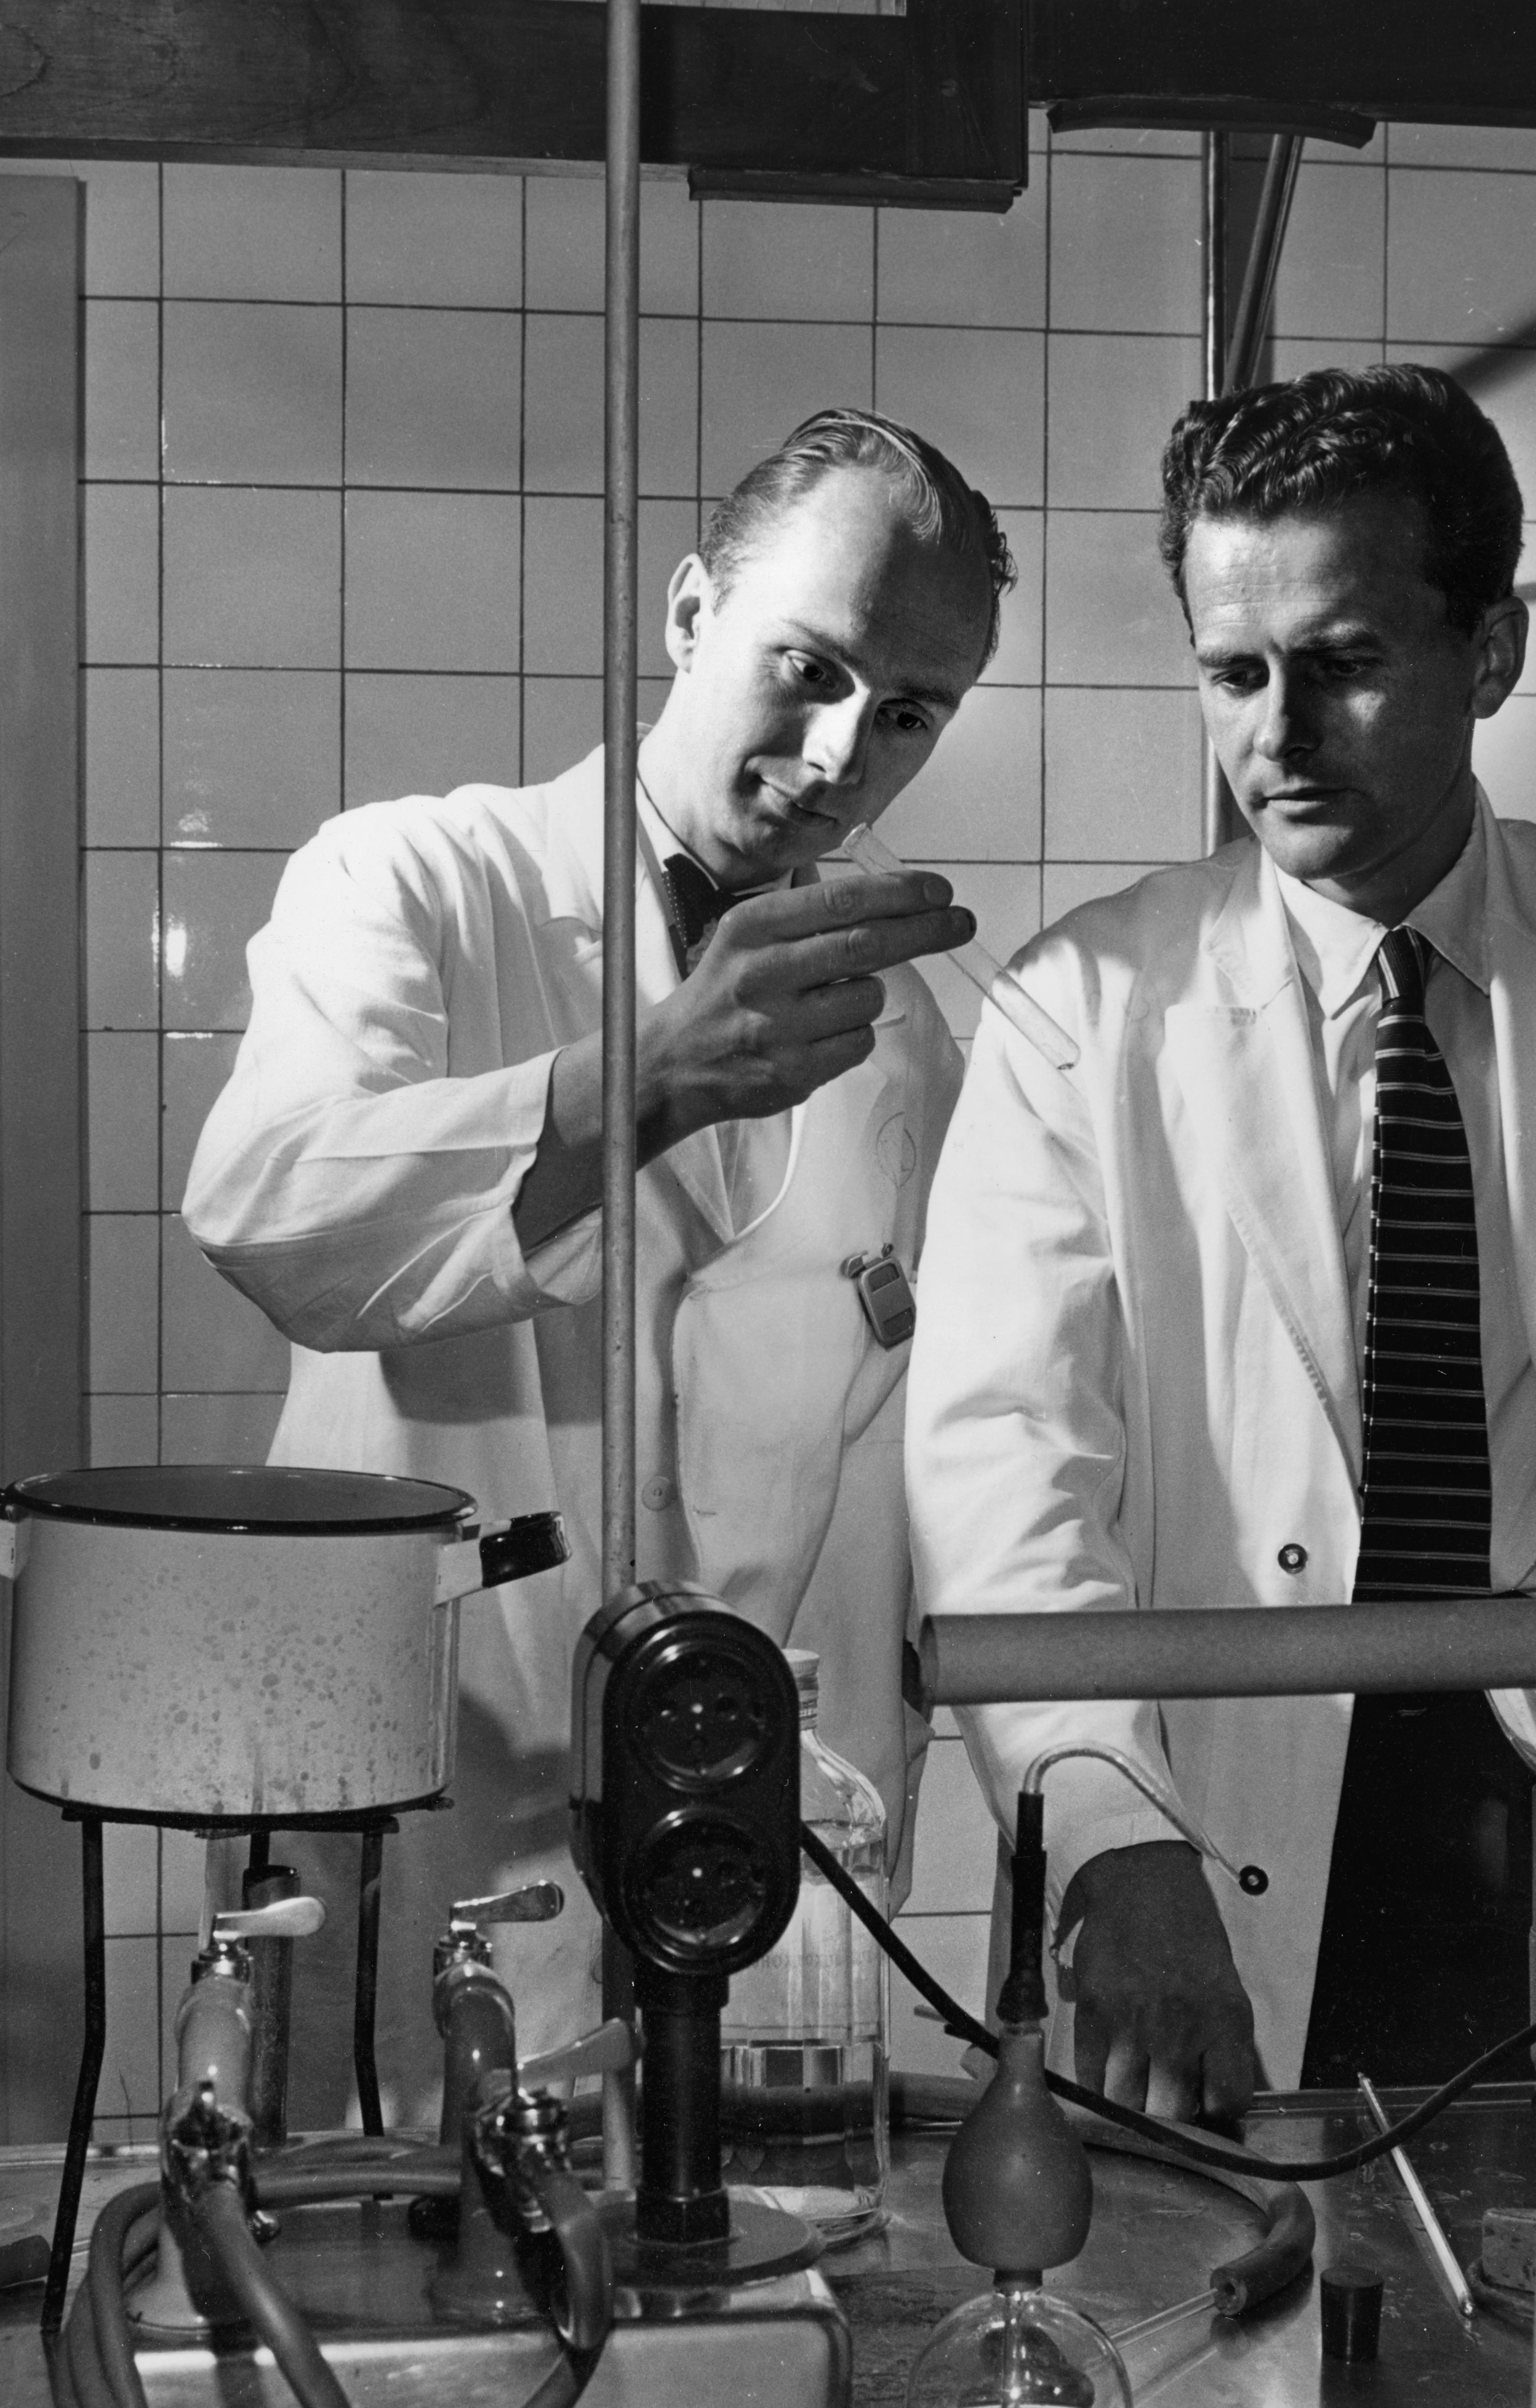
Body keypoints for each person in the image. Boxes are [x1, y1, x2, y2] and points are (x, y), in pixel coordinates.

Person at [904, 364, 1536, 2120]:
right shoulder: (1082, 1013)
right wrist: (1110, 1835)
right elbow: (1005, 1475)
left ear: (1489, 657)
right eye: (1233, 675)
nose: (1277, 734)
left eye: (1342, 665)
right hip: (1224, 1813)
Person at [184, 407, 1012, 2122]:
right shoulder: (417, 883)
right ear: (691, 614)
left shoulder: (906, 1032)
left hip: (749, 1877)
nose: (848, 748)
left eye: (911, 711)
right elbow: (269, 1205)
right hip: (439, 1828)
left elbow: (903, 1478)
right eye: (811, 664)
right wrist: (631, 1083)